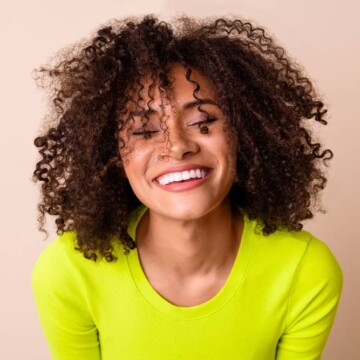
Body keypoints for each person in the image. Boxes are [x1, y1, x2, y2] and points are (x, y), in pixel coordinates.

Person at [31, 14, 343, 359]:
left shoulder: (304, 270)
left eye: (202, 121)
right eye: (145, 131)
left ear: (245, 135)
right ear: (114, 157)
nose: (177, 146)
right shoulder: (69, 272)